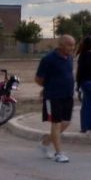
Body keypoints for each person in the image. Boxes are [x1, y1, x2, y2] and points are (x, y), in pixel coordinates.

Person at [36, 35, 76, 163]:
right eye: (69, 45)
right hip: (53, 96)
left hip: (67, 95)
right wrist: (48, 87)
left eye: (73, 45)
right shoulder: (48, 59)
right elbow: (38, 79)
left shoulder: (69, 58)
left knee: (66, 122)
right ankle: (59, 153)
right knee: (56, 123)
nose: (72, 47)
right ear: (61, 45)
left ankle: (45, 142)